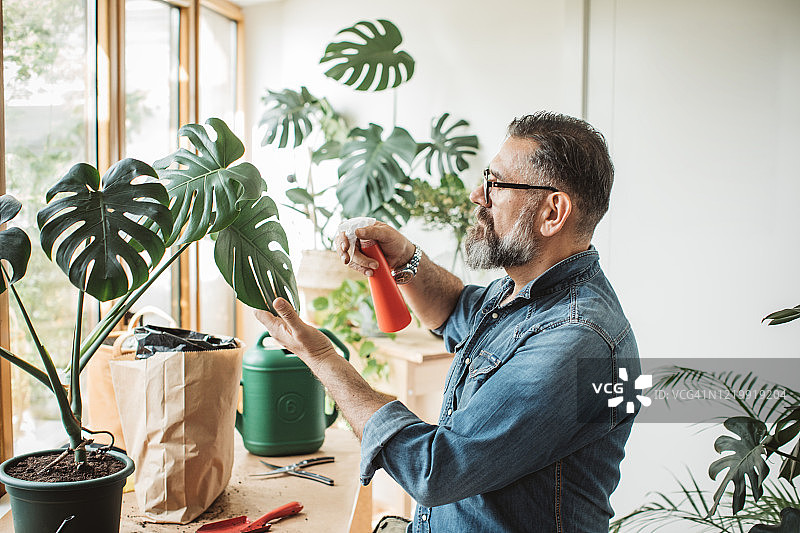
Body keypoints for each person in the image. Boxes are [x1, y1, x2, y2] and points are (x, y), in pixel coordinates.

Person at [255, 111, 640, 532]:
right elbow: (455, 310)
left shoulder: (577, 341)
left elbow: (435, 469)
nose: (478, 195)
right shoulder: (522, 292)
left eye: (496, 184)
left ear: (553, 212)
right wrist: (405, 258)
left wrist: (321, 357)